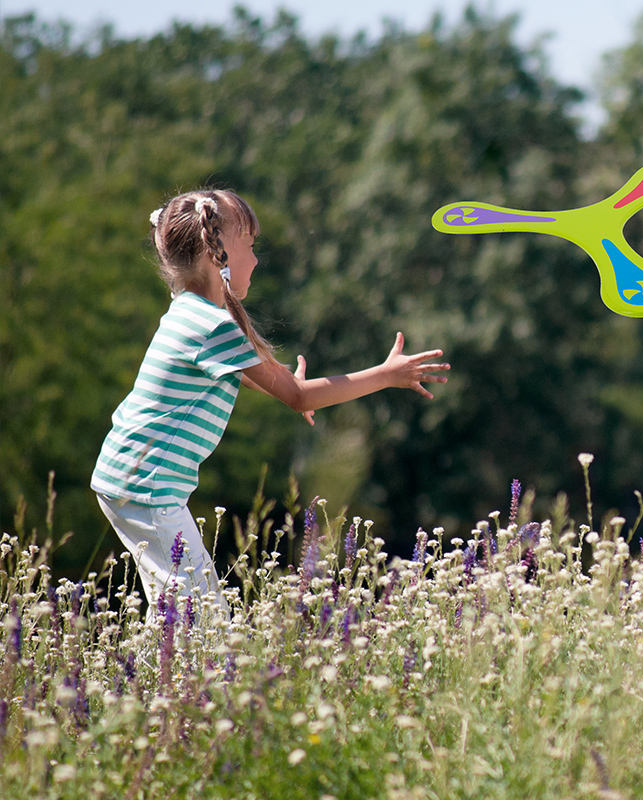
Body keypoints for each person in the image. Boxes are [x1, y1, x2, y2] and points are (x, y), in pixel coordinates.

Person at [91, 188, 449, 622]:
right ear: (215, 252)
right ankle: (177, 685)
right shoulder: (210, 325)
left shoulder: (192, 312)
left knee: (177, 609)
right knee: (202, 618)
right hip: (147, 486)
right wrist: (386, 375)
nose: (257, 260)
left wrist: (288, 387)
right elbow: (296, 395)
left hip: (132, 479)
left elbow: (249, 374)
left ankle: (151, 685)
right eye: (251, 246)